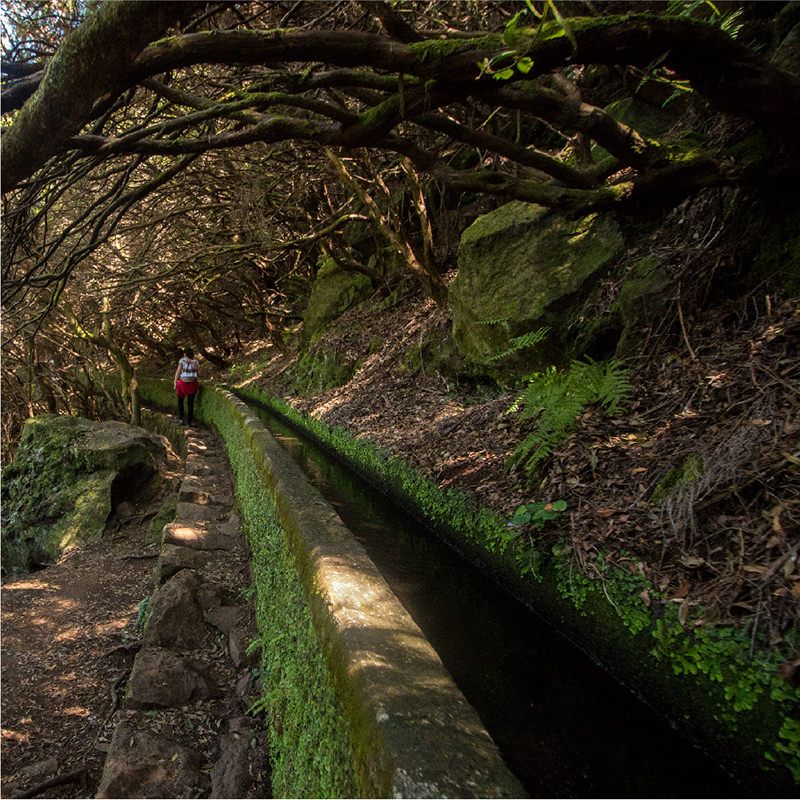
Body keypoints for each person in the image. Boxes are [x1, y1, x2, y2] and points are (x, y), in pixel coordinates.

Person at [174, 348, 200, 425]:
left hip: (182, 384)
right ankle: (189, 422)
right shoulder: (195, 362)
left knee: (180, 401)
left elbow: (178, 371)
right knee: (190, 404)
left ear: (185, 354)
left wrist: (175, 381)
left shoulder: (182, 360)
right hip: (192, 385)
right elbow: (198, 373)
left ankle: (181, 418)